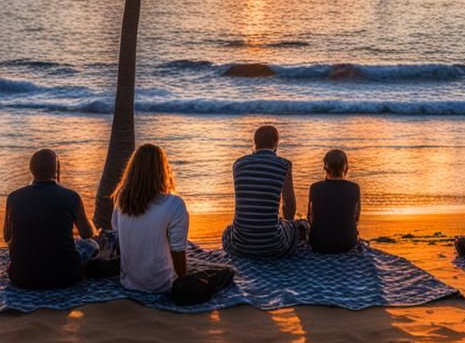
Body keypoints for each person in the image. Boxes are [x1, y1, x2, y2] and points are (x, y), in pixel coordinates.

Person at [112, 143, 234, 304]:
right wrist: (183, 280)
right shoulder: (173, 204)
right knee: (226, 274)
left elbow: (119, 236)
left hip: (128, 282)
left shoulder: (121, 199)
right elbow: (178, 251)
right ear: (163, 170)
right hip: (161, 284)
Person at [4, 148, 99, 289]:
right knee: (91, 245)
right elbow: (87, 234)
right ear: (56, 170)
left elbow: (7, 236)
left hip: (21, 278)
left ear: (31, 169)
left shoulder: (14, 197)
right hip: (66, 277)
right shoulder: (71, 196)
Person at [223, 124, 308, 258]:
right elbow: (289, 205)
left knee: (227, 230)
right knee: (301, 226)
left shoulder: (238, 164)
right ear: (276, 143)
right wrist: (289, 224)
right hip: (273, 245)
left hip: (239, 245)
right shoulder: (284, 164)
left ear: (254, 143)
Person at [307, 149, 361, 254]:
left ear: (325, 167)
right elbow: (356, 218)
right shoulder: (354, 187)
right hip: (348, 244)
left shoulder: (315, 187)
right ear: (346, 167)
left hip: (318, 244)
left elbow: (310, 217)